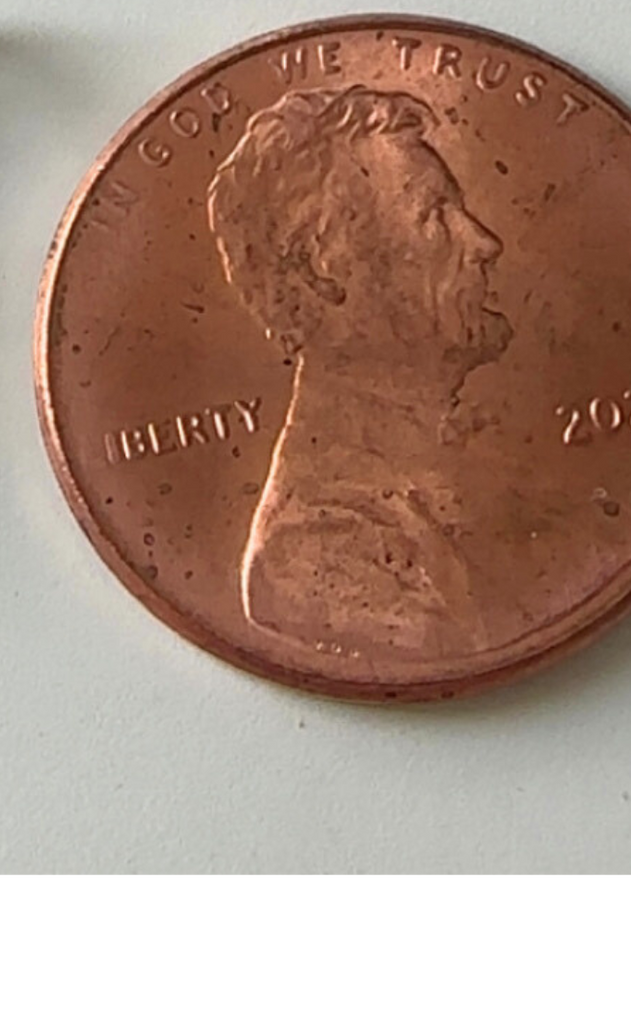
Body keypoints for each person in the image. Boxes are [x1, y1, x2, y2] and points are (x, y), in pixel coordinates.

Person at [207, 87, 512, 656]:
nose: (485, 244)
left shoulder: (471, 487)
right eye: (434, 217)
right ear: (324, 270)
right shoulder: (315, 556)